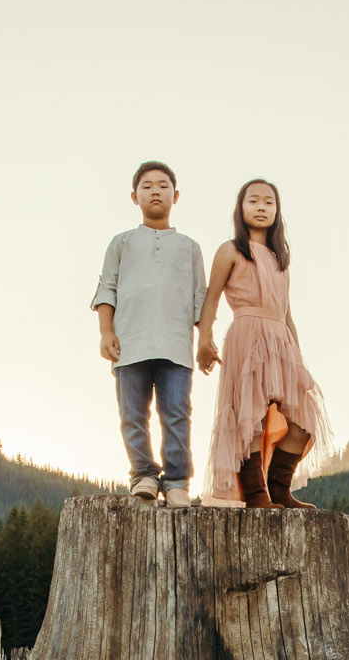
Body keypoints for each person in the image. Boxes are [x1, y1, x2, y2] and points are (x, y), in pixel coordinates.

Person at [198, 178, 328, 508]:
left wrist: (298, 360)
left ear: (277, 211)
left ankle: (279, 488)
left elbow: (287, 314)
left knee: (303, 420)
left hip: (280, 340)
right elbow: (211, 298)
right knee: (249, 417)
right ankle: (256, 494)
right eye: (253, 201)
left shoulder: (280, 258)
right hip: (246, 335)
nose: (260, 207)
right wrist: (204, 339)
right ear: (240, 209)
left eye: (268, 202)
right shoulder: (231, 250)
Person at [92, 161, 208, 506]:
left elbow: (200, 297)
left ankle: (176, 482)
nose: (155, 191)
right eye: (147, 186)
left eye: (162, 185)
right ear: (134, 196)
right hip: (130, 343)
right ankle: (142, 474)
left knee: (176, 413)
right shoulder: (122, 243)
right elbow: (106, 289)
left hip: (176, 345)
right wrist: (105, 332)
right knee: (133, 414)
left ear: (176, 195)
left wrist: (205, 340)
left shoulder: (189, 247)